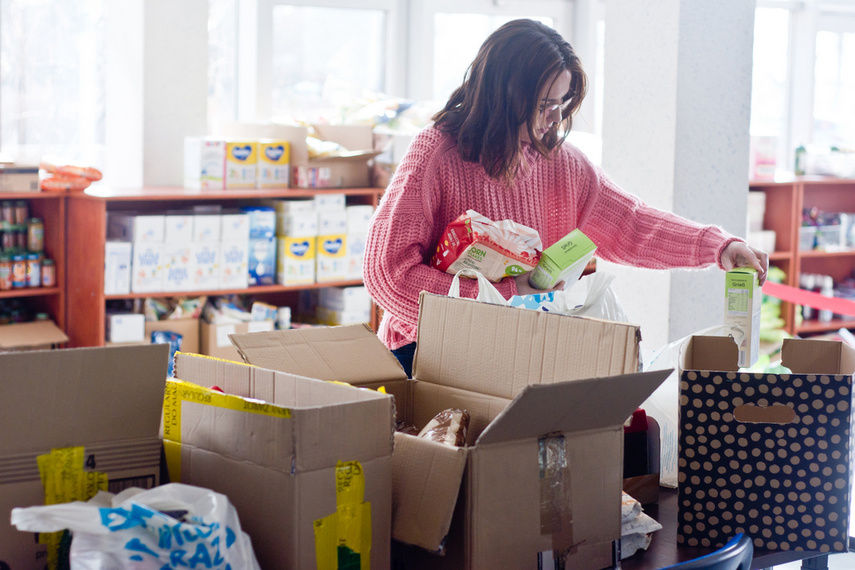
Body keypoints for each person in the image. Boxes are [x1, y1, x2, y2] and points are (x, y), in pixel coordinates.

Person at [363, 18, 768, 377]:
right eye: (545, 105)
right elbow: (387, 274)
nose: (556, 118)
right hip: (426, 355)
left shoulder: (563, 164)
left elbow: (632, 224)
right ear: (503, 96)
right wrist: (500, 299)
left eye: (562, 103)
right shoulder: (436, 155)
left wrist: (719, 246)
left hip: (521, 349)